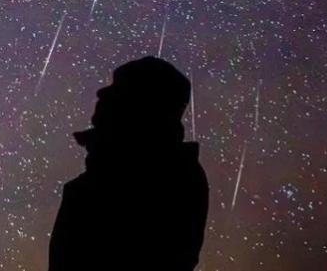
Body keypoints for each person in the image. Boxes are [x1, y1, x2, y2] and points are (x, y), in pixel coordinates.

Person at [49, 56, 209, 271]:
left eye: (118, 87)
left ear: (142, 104)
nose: (101, 93)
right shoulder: (107, 174)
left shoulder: (168, 178)